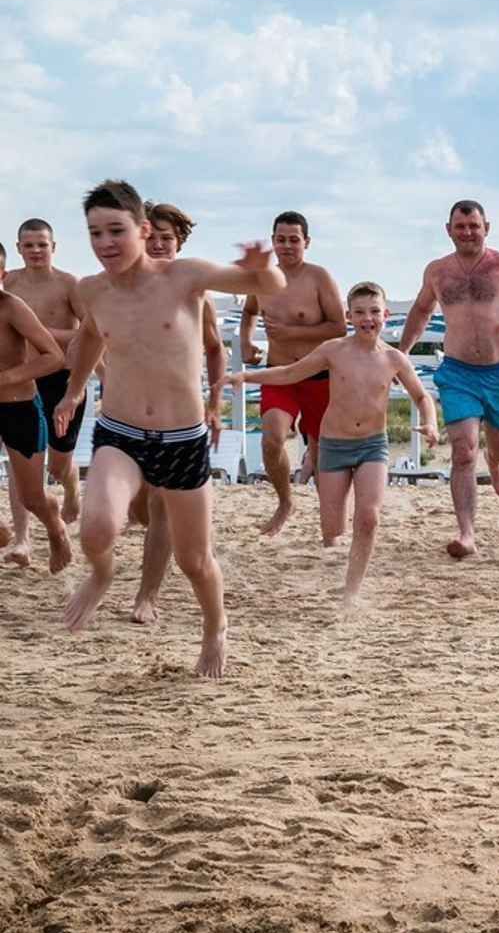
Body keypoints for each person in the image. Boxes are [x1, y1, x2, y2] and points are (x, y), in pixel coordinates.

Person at [53, 179, 285, 678]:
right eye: (95, 233)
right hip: (121, 433)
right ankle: (101, 575)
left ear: (140, 229)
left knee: (194, 559)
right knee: (96, 528)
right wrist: (75, 391)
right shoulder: (91, 289)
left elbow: (270, 288)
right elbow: (93, 334)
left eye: (116, 231)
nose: (105, 243)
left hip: (182, 441)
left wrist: (259, 269)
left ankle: (215, 628)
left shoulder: (185, 277)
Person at [231, 281, 438, 604]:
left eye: (374, 312)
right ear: (348, 316)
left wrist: (430, 421)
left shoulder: (394, 358)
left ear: (385, 314)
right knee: (333, 530)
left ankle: (352, 591)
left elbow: (422, 395)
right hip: (333, 446)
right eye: (359, 312)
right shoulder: (334, 350)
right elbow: (290, 373)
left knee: (368, 518)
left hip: (372, 444)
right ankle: (336, 561)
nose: (368, 318)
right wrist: (247, 376)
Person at [398, 199, 499, 558]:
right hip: (458, 371)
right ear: (448, 229)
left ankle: (496, 464)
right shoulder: (437, 271)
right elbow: (421, 310)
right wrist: (401, 351)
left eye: (474, 226)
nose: (467, 233)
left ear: (486, 228)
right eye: (460, 226)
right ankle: (467, 533)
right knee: (463, 450)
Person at [129, 202, 229, 625]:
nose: (157, 246)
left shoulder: (195, 292)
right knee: (139, 506)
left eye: (166, 239)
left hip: (179, 409)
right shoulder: (117, 287)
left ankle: (146, 596)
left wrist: (214, 404)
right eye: (150, 238)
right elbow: (90, 341)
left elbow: (214, 349)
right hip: (130, 408)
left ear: (179, 243)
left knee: (161, 502)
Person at [238, 211, 345, 536]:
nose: (287, 246)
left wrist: (289, 332)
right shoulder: (263, 279)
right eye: (281, 239)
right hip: (280, 373)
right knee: (271, 439)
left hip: (319, 375)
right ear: (273, 242)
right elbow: (250, 310)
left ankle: (331, 521)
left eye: (294, 240)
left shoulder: (319, 277)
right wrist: (245, 342)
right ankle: (285, 501)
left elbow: (338, 327)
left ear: (306, 243)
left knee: (321, 452)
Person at [5, 218, 87, 534]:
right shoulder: (9, 282)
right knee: (18, 455)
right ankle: (22, 537)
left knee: (58, 465)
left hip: (61, 377)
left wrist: (41, 332)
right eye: (29, 245)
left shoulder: (69, 284)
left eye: (42, 244)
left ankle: (71, 488)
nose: (36, 250)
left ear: (53, 247)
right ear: (18, 249)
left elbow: (92, 333)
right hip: (23, 379)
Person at [0, 239, 72, 573]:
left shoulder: (11, 307)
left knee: (32, 498)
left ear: (1, 274)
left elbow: (53, 356)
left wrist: (6, 378)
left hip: (19, 408)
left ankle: (55, 527)